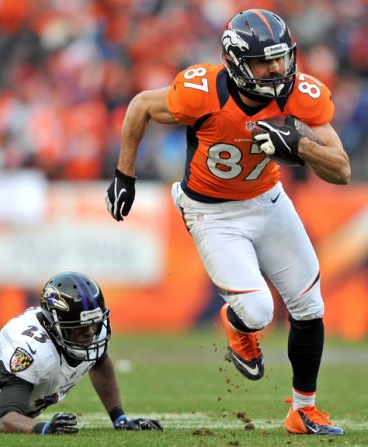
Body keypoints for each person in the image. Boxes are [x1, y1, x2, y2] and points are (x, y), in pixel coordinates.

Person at [105, 9, 349, 436]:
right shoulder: (201, 91)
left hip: (269, 201)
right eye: (263, 61)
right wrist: (125, 175)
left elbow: (341, 169)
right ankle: (239, 325)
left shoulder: (299, 95)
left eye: (280, 57)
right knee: (257, 310)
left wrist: (300, 146)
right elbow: (140, 105)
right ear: (236, 62)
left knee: (310, 307)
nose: (276, 68)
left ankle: (303, 410)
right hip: (211, 212)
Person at [0, 271, 163, 434]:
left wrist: (119, 417)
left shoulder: (93, 331)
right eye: (80, 327)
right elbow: (6, 419)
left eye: (94, 324)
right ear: (54, 323)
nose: (90, 333)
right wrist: (44, 428)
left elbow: (99, 362)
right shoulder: (31, 349)